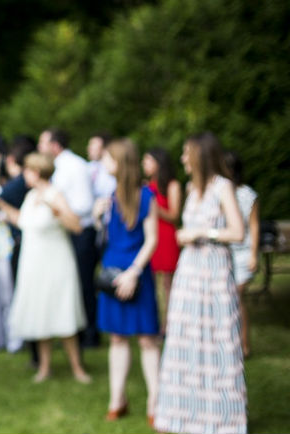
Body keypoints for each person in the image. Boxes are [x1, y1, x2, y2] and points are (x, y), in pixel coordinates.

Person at [154, 132, 247, 434]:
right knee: (184, 340)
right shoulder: (191, 189)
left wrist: (203, 233)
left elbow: (237, 232)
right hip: (189, 273)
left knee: (217, 341)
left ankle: (221, 418)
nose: (182, 159)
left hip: (214, 273)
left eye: (186, 153)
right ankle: (184, 415)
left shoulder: (222, 188)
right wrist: (185, 234)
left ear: (199, 156)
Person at [3, 153, 91, 383]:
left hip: (56, 261)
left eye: (27, 171)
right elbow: (23, 222)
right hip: (33, 262)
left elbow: (77, 226)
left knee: (63, 310)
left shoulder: (55, 194)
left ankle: (77, 367)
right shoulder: (31, 195)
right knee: (40, 312)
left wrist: (56, 210)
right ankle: (44, 367)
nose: (24, 175)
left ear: (36, 172)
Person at [92, 140, 160, 425]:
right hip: (111, 271)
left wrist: (133, 272)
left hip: (136, 271)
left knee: (147, 339)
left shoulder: (147, 197)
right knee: (117, 337)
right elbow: (105, 235)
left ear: (121, 163)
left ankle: (156, 402)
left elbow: (152, 239)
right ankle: (116, 399)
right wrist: (97, 217)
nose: (103, 163)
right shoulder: (110, 195)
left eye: (108, 159)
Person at [37, 129, 99, 347]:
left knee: (83, 284)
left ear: (55, 146)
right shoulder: (59, 167)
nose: (39, 148)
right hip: (65, 230)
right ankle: (74, 331)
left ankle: (90, 335)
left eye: (42, 143)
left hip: (81, 231)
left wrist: (59, 208)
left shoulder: (74, 166)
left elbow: (84, 204)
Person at [0, 138, 34, 353]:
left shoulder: (16, 184)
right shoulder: (9, 183)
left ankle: (13, 338)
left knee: (6, 292)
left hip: (7, 245)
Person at [223, 150, 258, 357]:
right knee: (229, 300)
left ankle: (244, 346)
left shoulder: (248, 195)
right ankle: (230, 344)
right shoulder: (219, 193)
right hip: (225, 253)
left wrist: (254, 254)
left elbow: (253, 227)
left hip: (243, 252)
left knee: (236, 297)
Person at [142, 148, 181, 314]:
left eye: (148, 160)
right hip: (150, 235)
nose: (144, 164)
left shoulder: (172, 185)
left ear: (158, 163)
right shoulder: (146, 186)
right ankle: (155, 320)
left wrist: (154, 207)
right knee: (151, 283)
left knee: (167, 284)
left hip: (166, 236)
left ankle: (169, 322)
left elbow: (174, 215)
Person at [87, 133, 117, 205]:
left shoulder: (111, 169)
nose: (89, 149)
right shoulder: (88, 167)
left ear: (104, 149)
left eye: (93, 145)